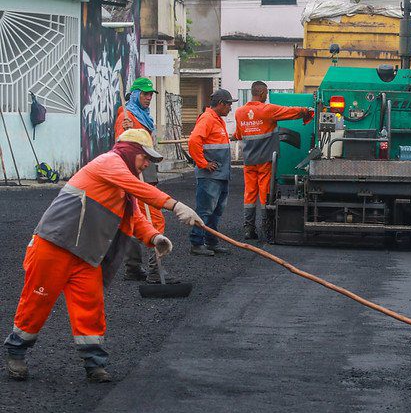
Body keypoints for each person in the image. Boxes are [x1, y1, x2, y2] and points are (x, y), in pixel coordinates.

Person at [3, 129, 202, 382]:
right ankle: (16, 351)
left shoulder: (124, 183)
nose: (147, 164)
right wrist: (175, 205)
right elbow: (139, 189)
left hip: (86, 255)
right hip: (54, 246)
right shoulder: (109, 163)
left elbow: (135, 217)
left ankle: (94, 364)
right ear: (129, 151)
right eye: (144, 157)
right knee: (36, 301)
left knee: (90, 308)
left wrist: (154, 237)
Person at [114, 76, 175, 284]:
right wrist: (125, 128)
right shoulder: (127, 115)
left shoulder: (143, 115)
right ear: (137, 94)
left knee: (133, 218)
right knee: (155, 219)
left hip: (145, 171)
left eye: (150, 94)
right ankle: (155, 271)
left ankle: (132, 268)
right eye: (145, 94)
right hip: (135, 173)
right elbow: (120, 146)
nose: (149, 97)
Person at [233, 81, 311, 240]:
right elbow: (289, 112)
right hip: (265, 161)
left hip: (249, 160)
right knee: (265, 194)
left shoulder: (239, 112)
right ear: (261, 93)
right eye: (267, 93)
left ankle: (248, 228)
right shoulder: (267, 110)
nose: (267, 96)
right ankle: (266, 228)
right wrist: (306, 110)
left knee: (249, 194)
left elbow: (239, 135)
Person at [188, 89, 238, 256]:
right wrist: (203, 163)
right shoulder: (208, 119)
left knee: (216, 210)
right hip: (210, 176)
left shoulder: (217, 120)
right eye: (229, 104)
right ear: (221, 104)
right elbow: (194, 141)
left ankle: (211, 241)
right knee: (205, 210)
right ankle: (197, 242)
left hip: (220, 175)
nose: (230, 108)